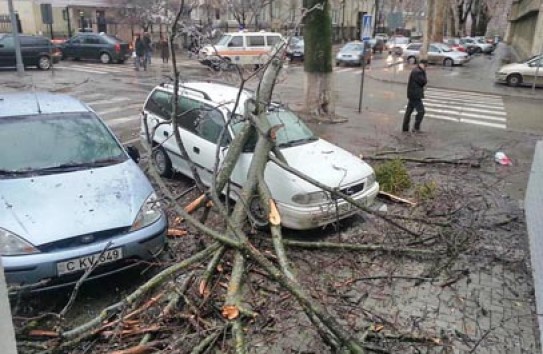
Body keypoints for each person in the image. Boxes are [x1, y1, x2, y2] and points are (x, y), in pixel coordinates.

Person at [402, 59, 428, 133]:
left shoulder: (416, 70)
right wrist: (424, 72)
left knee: (409, 111)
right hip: (415, 95)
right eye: (425, 66)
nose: (425, 67)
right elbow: (423, 81)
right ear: (422, 64)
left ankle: (405, 128)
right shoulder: (418, 72)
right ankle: (416, 128)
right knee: (421, 111)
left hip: (412, 94)